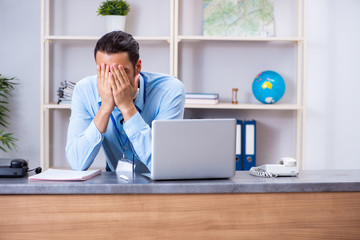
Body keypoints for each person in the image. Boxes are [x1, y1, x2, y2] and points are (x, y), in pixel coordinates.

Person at [65, 31, 185, 172]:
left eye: (122, 72)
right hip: (115, 186)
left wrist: (127, 107)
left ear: (138, 67)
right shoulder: (84, 90)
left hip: (157, 185)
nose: (113, 80)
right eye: (105, 72)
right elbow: (77, 162)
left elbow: (163, 164)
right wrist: (104, 109)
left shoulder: (169, 90)